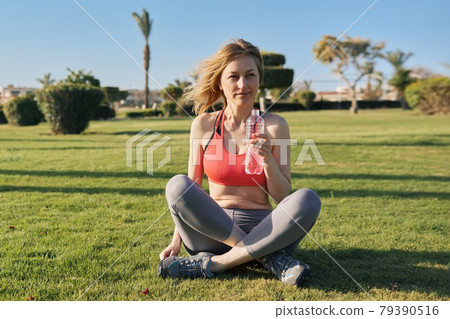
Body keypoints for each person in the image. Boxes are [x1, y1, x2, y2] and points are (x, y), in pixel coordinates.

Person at [158, 39, 321, 287]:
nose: (243, 85)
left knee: (308, 199)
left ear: (259, 80)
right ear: (220, 83)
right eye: (234, 76)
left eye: (250, 75)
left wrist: (268, 160)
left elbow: (282, 195)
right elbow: (191, 189)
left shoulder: (277, 126)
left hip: (264, 228)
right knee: (176, 185)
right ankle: (268, 257)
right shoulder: (202, 125)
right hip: (210, 230)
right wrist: (176, 241)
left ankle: (215, 263)